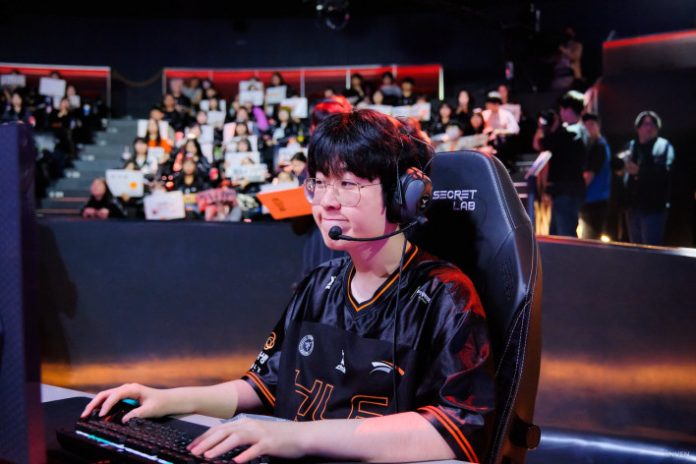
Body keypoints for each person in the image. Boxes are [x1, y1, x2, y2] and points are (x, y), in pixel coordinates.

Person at [82, 109, 494, 463]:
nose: (326, 201)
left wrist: (295, 437)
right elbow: (265, 385)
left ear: (403, 197)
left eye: (348, 184)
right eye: (320, 182)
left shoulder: (445, 296)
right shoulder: (318, 285)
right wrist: (170, 399)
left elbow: (457, 427)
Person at [621, 111, 675, 246]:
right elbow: (620, 168)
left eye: (653, 124)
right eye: (645, 124)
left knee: (650, 250)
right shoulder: (631, 146)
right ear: (638, 127)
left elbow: (664, 173)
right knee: (635, 249)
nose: (649, 127)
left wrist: (639, 171)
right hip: (633, 206)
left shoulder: (663, 146)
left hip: (653, 207)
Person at [534, 109, 586, 237]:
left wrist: (541, 128)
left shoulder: (558, 138)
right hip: (571, 191)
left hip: (564, 192)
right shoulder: (572, 135)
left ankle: (569, 251)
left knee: (563, 236)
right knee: (558, 234)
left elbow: (537, 144)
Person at [579, 113, 611, 240]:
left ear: (599, 126)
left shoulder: (599, 146)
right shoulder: (599, 145)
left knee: (590, 241)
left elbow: (588, 176)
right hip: (595, 200)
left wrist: (575, 193)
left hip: (594, 202)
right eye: (585, 125)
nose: (588, 128)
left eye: (591, 125)